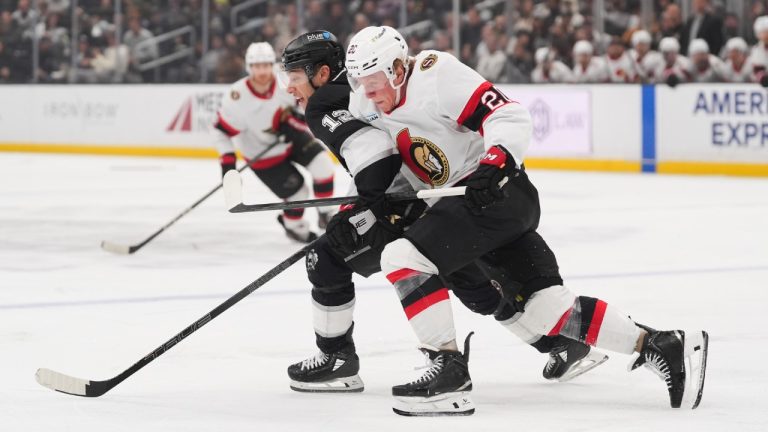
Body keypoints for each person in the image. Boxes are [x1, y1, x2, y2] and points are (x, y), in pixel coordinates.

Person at [345, 25, 709, 416]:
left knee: (403, 257)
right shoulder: (367, 103)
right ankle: (661, 344)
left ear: (398, 69)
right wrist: (363, 201)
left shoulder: (436, 74)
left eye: (374, 80)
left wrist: (496, 160)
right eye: (359, 82)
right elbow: (389, 164)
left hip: (497, 193)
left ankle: (448, 371)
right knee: (544, 308)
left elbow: (507, 113)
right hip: (462, 206)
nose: (368, 91)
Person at [279, 30, 606, 396]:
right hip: (436, 196)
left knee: (325, 259)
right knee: (471, 279)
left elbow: (374, 157)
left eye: (294, 77)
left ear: (321, 73)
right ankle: (558, 343)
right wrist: (356, 202)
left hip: (403, 203)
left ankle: (338, 359)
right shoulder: (365, 86)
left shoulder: (325, 102)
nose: (289, 87)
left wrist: (356, 208)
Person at [212, 42, 337, 243]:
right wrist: (228, 165)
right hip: (262, 153)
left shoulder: (287, 80)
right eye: (257, 66)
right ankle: (294, 226)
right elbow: (221, 132)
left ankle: (326, 213)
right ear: (249, 67)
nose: (262, 71)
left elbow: (307, 109)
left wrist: (296, 122)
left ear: (273, 65)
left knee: (323, 165)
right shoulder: (237, 98)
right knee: (299, 193)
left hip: (291, 138)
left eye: (266, 65)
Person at [749, 16, 768, 86]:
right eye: (762, 32)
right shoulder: (756, 50)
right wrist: (763, 78)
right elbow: (758, 71)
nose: (765, 35)